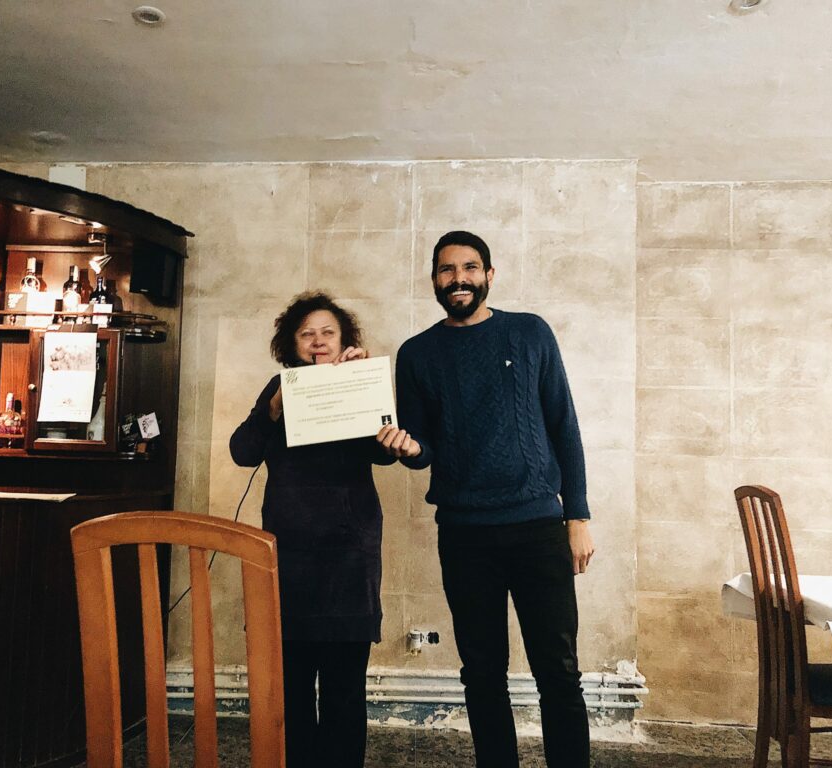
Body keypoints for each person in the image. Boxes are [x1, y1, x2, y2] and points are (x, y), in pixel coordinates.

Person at [377, 230, 595, 768]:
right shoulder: (416, 354)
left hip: (538, 527)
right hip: (464, 534)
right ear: (434, 280)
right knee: (481, 673)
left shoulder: (530, 332)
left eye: (470, 268)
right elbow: (421, 447)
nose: (459, 279)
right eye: (447, 270)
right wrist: (409, 449)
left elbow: (564, 425)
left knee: (559, 671)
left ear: (489, 275)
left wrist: (578, 515)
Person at [230, 291, 394, 768]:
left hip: (350, 558)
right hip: (290, 559)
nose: (318, 341)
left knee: (345, 691)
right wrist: (276, 404)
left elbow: (384, 453)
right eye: (307, 334)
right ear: (292, 343)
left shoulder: (358, 380)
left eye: (328, 333)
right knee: (292, 688)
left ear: (344, 340)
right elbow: (243, 451)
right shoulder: (278, 387)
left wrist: (363, 387)